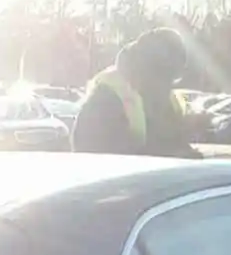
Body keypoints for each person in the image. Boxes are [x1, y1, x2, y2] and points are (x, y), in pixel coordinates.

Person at [72, 28, 199, 158]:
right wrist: (170, 155)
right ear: (144, 67)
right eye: (162, 74)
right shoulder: (106, 98)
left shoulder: (168, 100)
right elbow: (103, 154)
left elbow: (175, 143)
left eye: (172, 77)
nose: (167, 84)